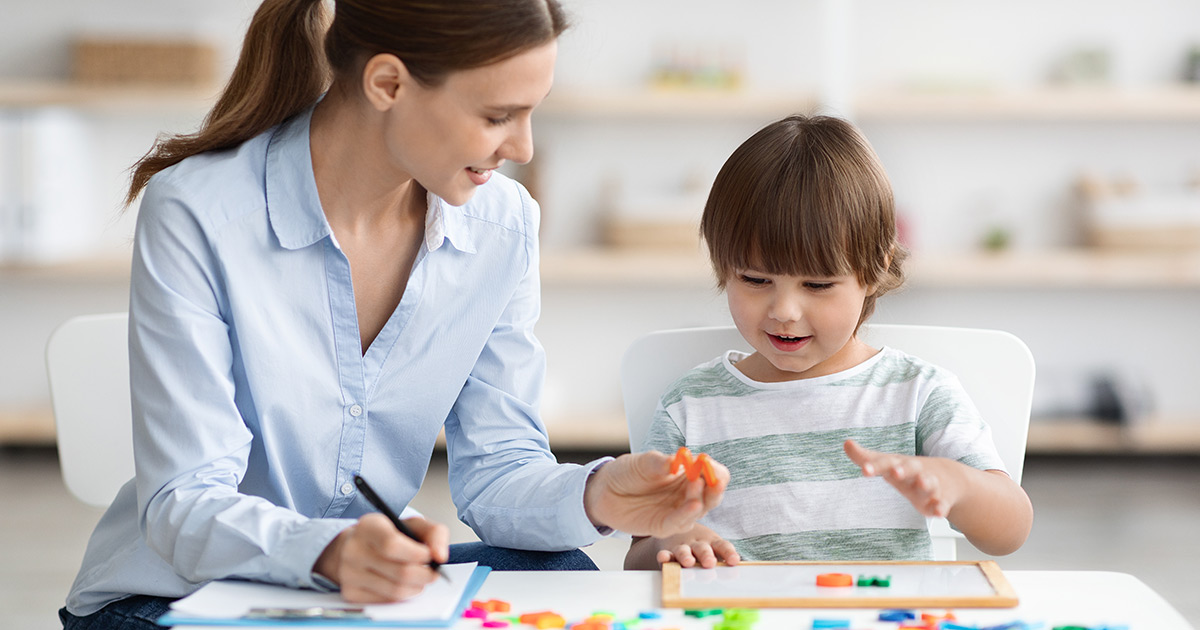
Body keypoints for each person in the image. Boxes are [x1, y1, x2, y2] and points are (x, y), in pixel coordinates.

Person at [59, 1, 731, 628]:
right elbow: (185, 504)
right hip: (174, 595)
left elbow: (499, 468)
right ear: (387, 84)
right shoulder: (199, 210)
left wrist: (597, 495)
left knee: (561, 569)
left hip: (365, 592)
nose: (523, 147)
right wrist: (328, 552)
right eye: (498, 115)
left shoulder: (504, 225)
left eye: (532, 113)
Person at [624, 115, 1032, 570]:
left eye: (817, 285)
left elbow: (1011, 531)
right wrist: (674, 541)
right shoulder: (690, 405)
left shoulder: (918, 394)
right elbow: (638, 554)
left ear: (874, 268)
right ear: (722, 266)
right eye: (755, 279)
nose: (784, 311)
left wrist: (959, 485)